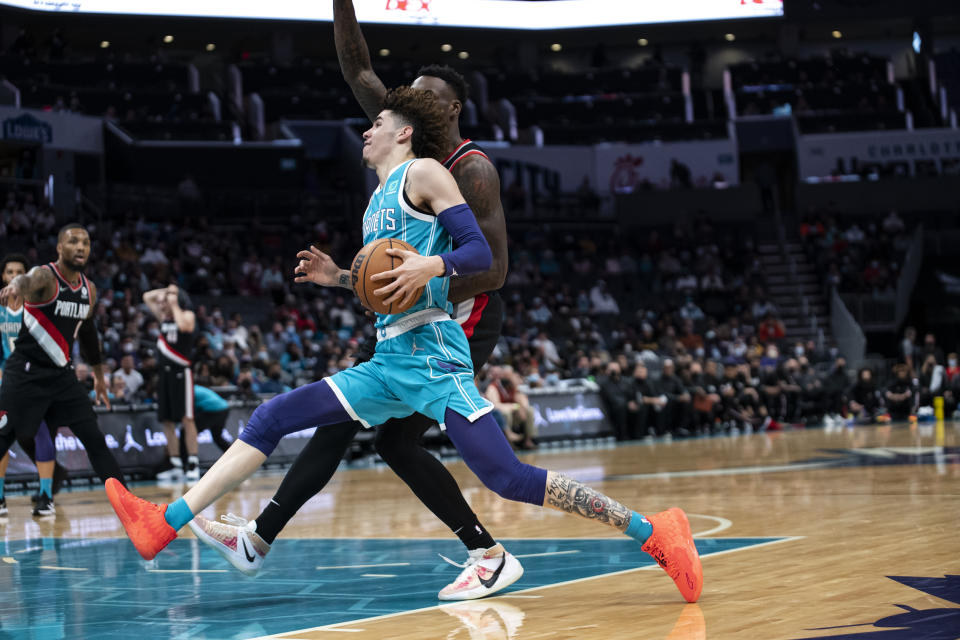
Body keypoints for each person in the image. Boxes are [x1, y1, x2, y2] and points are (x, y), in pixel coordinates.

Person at [106, 87, 703, 604]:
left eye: (375, 125)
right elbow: (389, 284)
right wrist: (340, 277)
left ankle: (654, 530)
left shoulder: (424, 173)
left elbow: (479, 254)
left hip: (435, 356)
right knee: (272, 416)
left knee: (507, 477)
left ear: (404, 132)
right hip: (389, 359)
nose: (366, 132)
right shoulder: (375, 203)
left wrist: (432, 267)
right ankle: (166, 523)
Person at [187, 0, 519, 601]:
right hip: (411, 308)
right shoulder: (400, 137)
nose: (406, 99)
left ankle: (486, 552)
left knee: (394, 441)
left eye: (422, 94)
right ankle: (258, 539)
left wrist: (417, 285)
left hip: (462, 316)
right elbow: (355, 67)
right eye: (405, 93)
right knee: (350, 424)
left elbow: (493, 269)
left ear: (447, 110)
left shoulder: (471, 169)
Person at [0, 224, 127, 518]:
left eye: (86, 242)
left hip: (62, 377)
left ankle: (132, 509)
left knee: (94, 439)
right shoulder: (45, 276)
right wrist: (17, 286)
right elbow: (27, 279)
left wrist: (98, 375)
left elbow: (88, 333)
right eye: (73, 241)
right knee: (5, 439)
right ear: (59, 248)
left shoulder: (89, 290)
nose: (80, 247)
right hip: (26, 373)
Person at [0, 254, 60, 517]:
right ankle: (0, 498)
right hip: (6, 381)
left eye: (19, 271)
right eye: (9, 271)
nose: (14, 276)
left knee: (42, 435)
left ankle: (46, 496)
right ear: (3, 276)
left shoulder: (37, 307)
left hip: (35, 380)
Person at [143, 284, 199, 481]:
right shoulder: (163, 317)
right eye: (166, 297)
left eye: (171, 296)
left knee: (187, 418)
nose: (165, 300)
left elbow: (185, 327)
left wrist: (174, 299)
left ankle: (192, 462)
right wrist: (166, 291)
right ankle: (175, 463)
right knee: (166, 419)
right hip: (164, 374)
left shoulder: (187, 314)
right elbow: (147, 296)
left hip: (181, 372)